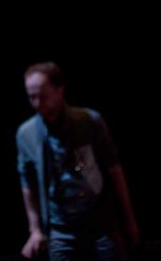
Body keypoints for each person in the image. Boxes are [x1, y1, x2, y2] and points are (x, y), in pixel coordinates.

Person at [16, 62, 139, 260]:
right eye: (32, 97)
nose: (37, 103)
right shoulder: (26, 134)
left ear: (60, 90)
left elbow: (114, 170)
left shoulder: (89, 121)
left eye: (43, 96)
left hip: (100, 223)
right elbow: (27, 184)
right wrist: (35, 230)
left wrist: (129, 221)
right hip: (60, 228)